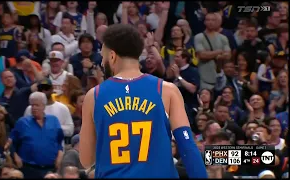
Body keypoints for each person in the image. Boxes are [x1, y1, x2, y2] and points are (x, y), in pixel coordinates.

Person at [79, 24, 207, 178]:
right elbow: (188, 147)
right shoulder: (166, 90)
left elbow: (86, 159)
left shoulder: (94, 96)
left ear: (112, 56)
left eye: (103, 57)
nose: (101, 62)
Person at [5, 92, 64, 179]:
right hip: (28, 169)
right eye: (32, 105)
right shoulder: (22, 122)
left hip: (50, 169)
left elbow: (60, 142)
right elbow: (11, 142)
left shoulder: (54, 120)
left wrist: (59, 157)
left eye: (37, 105)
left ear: (44, 106)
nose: (34, 108)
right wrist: (16, 156)